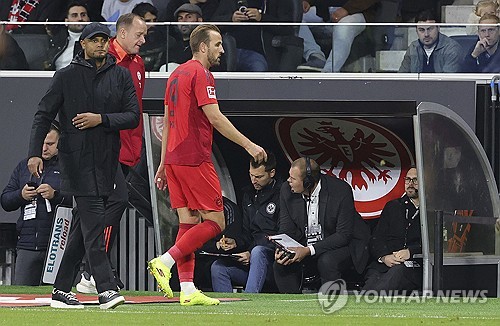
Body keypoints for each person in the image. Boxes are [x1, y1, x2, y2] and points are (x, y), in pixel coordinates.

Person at [147, 24, 266, 306]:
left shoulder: (175, 74)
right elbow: (214, 117)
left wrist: (163, 163)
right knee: (216, 222)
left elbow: (167, 117)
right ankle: (165, 261)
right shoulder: (202, 74)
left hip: (175, 158)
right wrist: (249, 145)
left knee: (188, 222)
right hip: (194, 157)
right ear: (203, 47)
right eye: (217, 44)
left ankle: (187, 289)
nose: (222, 50)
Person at [27, 22, 139, 309]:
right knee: (93, 224)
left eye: (104, 39)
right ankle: (105, 288)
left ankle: (61, 289)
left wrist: (100, 118)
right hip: (77, 162)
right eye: (94, 40)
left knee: (84, 226)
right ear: (83, 45)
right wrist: (34, 153)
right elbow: (42, 115)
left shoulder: (121, 77)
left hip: (108, 161)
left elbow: (132, 117)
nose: (100, 44)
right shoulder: (65, 77)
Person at [76, 13, 147, 294]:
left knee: (93, 212)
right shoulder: (104, 62)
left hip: (128, 149)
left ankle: (84, 272)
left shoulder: (138, 64)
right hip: (104, 147)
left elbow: (134, 112)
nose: (143, 40)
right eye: (139, 34)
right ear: (122, 32)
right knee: (116, 201)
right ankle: (95, 269)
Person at [273, 157, 370, 294]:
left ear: (308, 182)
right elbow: (286, 227)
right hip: (307, 245)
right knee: (281, 264)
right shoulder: (286, 190)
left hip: (344, 245)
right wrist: (283, 248)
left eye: (293, 178)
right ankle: (294, 308)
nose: (288, 181)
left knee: (327, 261)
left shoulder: (340, 190)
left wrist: (309, 250)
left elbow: (343, 235)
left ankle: (330, 308)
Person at [1, 122, 67, 285]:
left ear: (60, 144)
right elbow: (5, 201)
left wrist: (55, 195)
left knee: (56, 297)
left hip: (57, 245)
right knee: (23, 295)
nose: (44, 148)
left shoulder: (68, 167)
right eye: (42, 143)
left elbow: (80, 200)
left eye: (50, 144)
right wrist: (21, 195)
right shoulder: (24, 166)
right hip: (26, 244)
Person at [211, 151, 281, 293]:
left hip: (274, 262)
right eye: (251, 175)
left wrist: (250, 252)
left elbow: (283, 235)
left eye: (259, 176)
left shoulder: (283, 193)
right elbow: (247, 233)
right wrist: (236, 242)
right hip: (251, 261)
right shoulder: (248, 195)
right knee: (218, 268)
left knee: (258, 252)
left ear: (272, 173)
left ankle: (249, 303)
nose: (254, 180)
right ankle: (226, 313)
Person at [363, 167, 422, 292]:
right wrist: (384, 257)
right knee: (371, 284)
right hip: (385, 263)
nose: (410, 184)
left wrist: (411, 251)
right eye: (408, 180)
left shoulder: (431, 210)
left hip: (413, 265)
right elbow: (376, 238)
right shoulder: (393, 206)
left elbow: (438, 243)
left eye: (415, 180)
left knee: (392, 278)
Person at [211, 0, 300, 72]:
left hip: (256, 52)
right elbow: (213, 24)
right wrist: (231, 19)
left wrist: (261, 18)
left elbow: (287, 28)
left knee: (258, 69)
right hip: (229, 51)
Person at [296, 0, 380, 72]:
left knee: (344, 26)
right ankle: (316, 56)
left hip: (357, 11)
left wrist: (347, 9)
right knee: (294, 17)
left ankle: (329, 71)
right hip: (324, 13)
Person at [46, 1, 90, 71]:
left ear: (88, 19)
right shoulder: (55, 40)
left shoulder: (95, 40)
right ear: (66, 21)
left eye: (83, 15)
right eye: (74, 15)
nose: (80, 19)